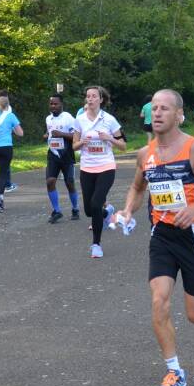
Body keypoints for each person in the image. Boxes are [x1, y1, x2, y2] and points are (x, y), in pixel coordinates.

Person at [116, 89, 194, 386]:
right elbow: (137, 188)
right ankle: (174, 371)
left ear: (179, 115)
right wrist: (128, 210)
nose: (157, 114)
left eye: (164, 109)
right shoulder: (145, 154)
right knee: (159, 300)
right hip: (162, 235)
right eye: (153, 108)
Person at [73, 85, 126, 258]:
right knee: (89, 210)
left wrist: (109, 137)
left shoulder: (109, 120)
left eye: (94, 96)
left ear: (101, 100)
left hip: (106, 166)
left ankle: (96, 245)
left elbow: (123, 146)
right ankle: (107, 212)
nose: (90, 99)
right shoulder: (79, 120)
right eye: (88, 96)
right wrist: (82, 142)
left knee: (96, 204)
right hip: (87, 167)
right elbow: (73, 147)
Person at [44, 94, 80, 223]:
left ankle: (75, 208)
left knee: (69, 183)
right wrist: (47, 135)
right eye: (51, 104)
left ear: (61, 104)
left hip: (66, 154)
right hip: (53, 154)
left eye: (55, 104)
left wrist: (61, 134)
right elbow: (50, 132)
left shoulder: (68, 118)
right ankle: (57, 211)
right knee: (50, 181)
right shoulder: (48, 119)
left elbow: (76, 136)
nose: (53, 106)